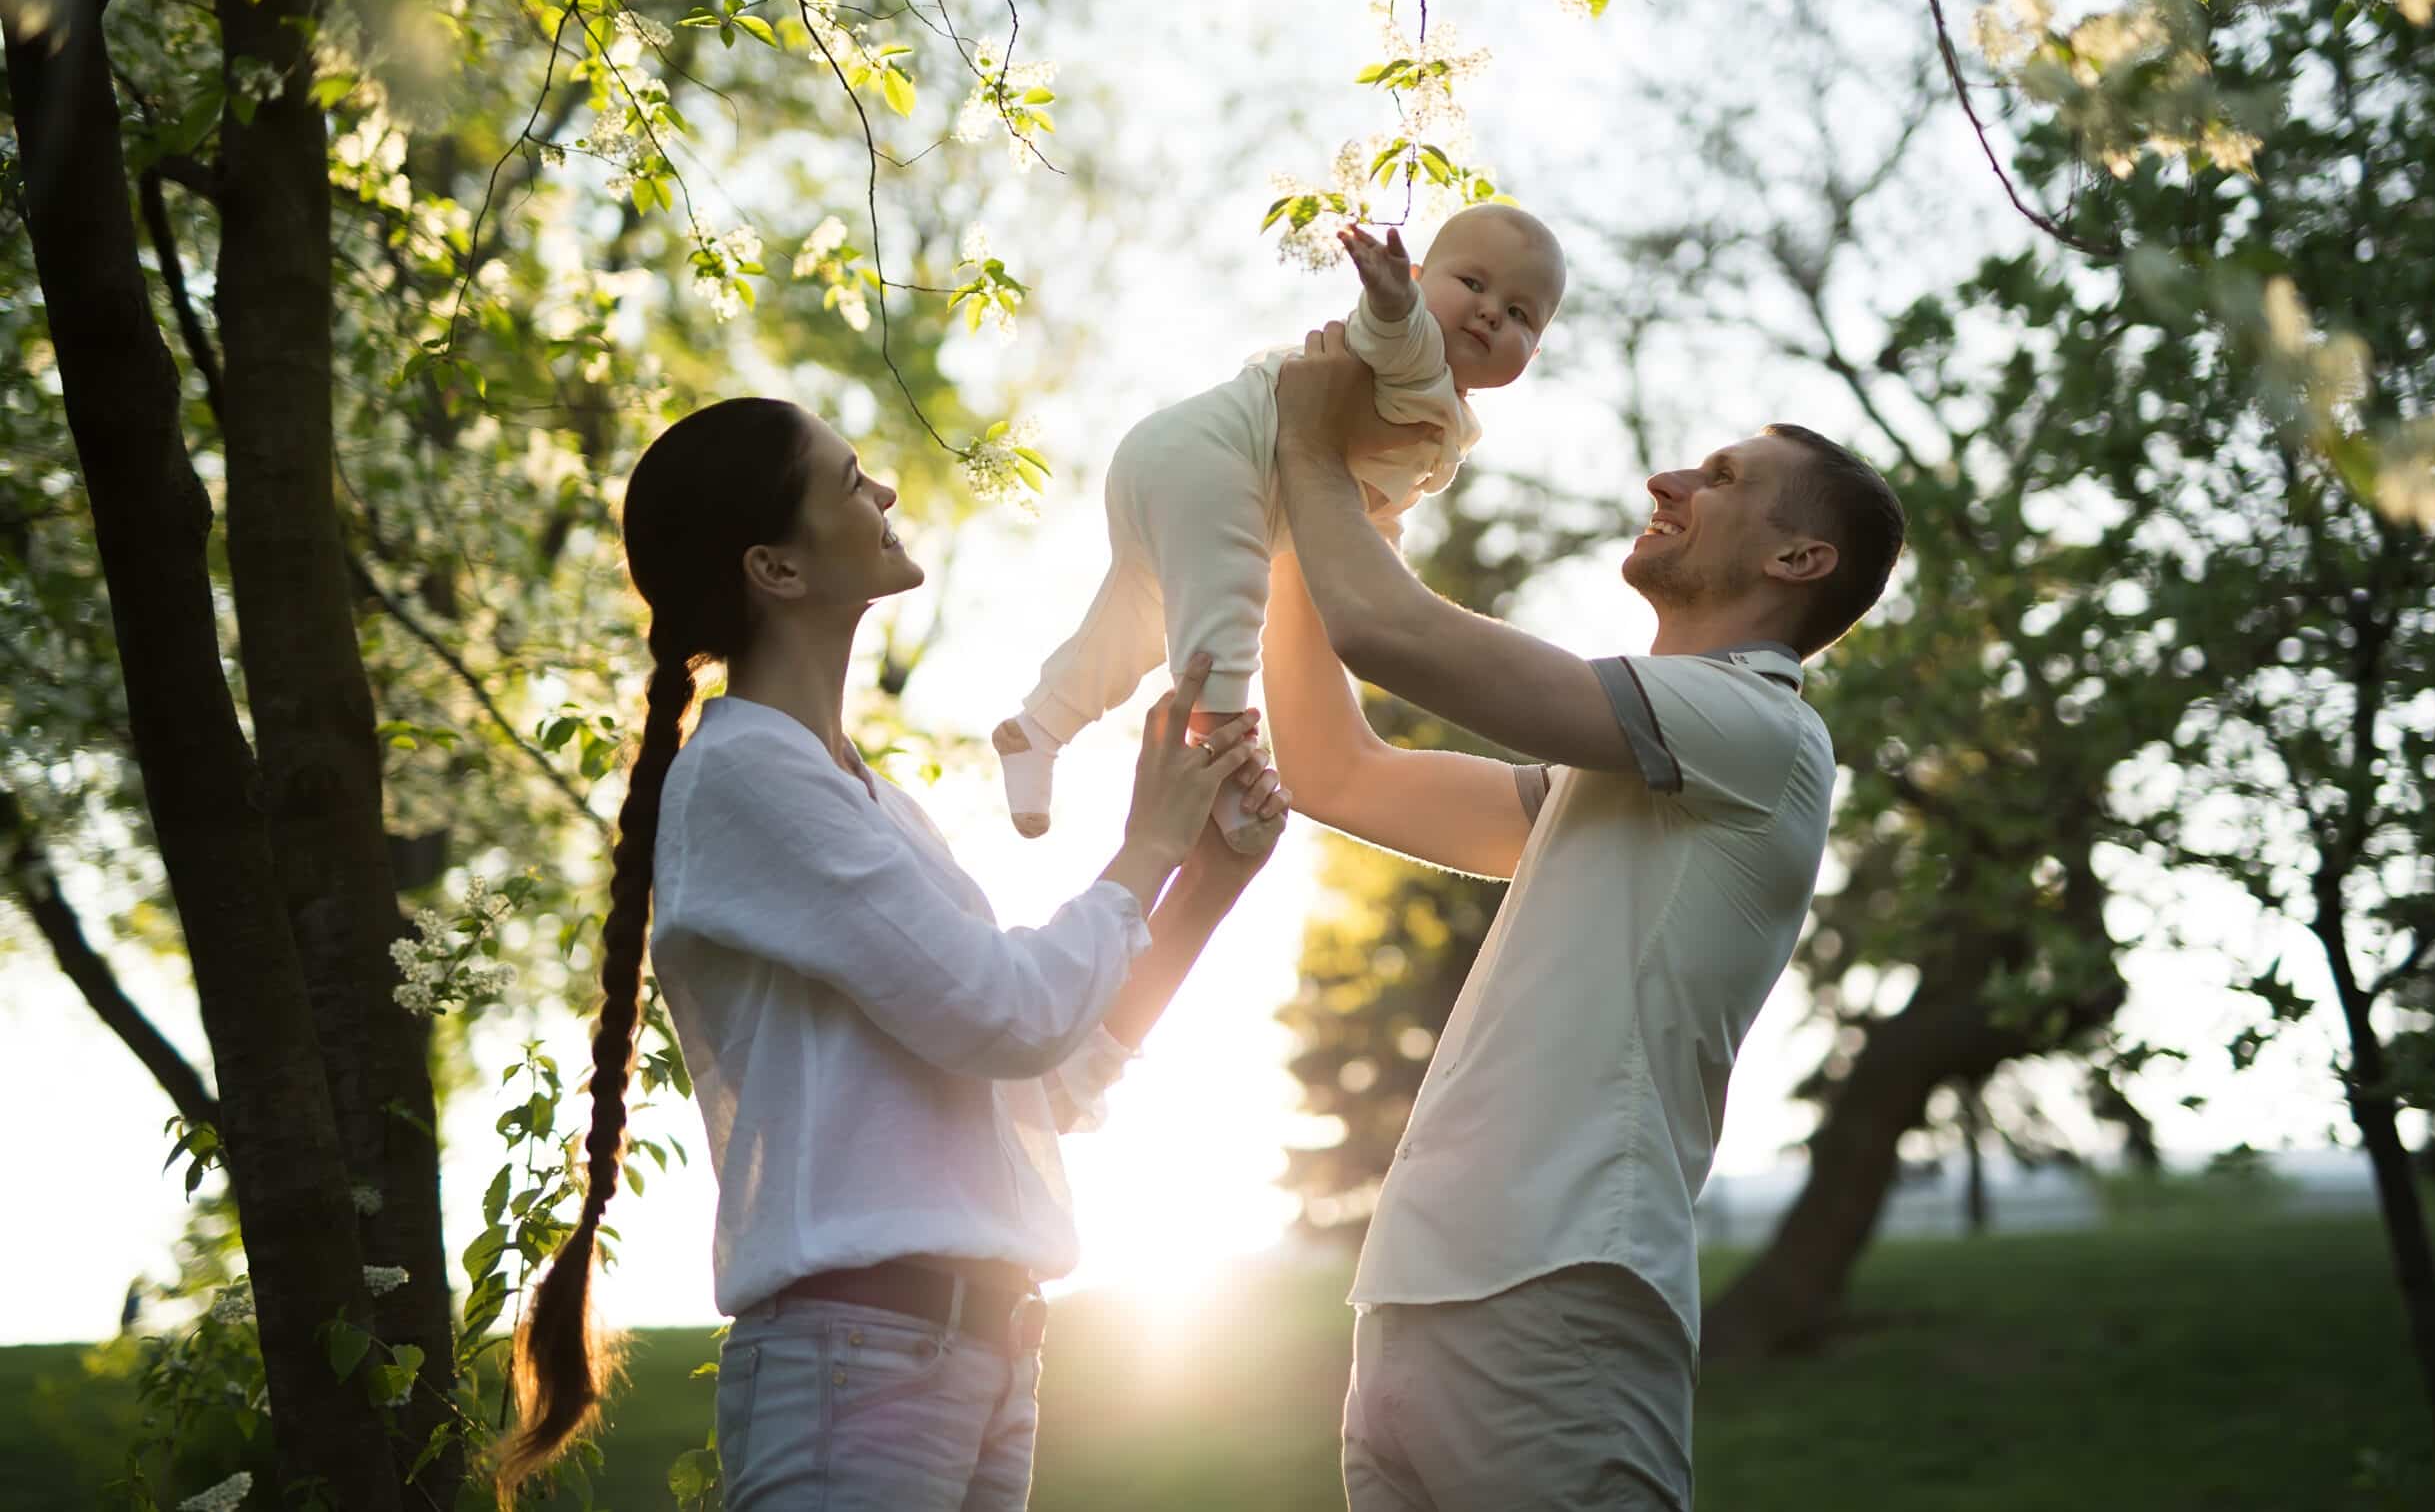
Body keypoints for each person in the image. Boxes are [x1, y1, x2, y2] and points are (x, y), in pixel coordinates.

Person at [491, 396, 1290, 1511]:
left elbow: (1038, 1077)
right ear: (775, 568)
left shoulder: (859, 797)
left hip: (981, 1356)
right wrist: (1147, 844)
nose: (885, 494)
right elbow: (1003, 1012)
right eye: (849, 478)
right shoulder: (743, 782)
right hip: (856, 1363)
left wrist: (1207, 880)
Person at [1263, 324, 1907, 1511]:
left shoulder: (1761, 733)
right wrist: (1315, 514)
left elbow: (1390, 634)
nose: (1667, 482)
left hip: (1560, 1293)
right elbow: (1332, 774)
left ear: (1801, 558)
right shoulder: (1602, 782)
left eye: (1720, 479)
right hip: (1411, 1307)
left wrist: (1309, 450)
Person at [993, 205, 1568, 847]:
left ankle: (1039, 727)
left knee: (1140, 624)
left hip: (1173, 466)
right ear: (1421, 275)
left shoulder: (1447, 418)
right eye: (1473, 283)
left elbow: (1367, 528)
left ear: (1535, 350)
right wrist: (1392, 297)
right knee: (1227, 614)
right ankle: (1223, 761)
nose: (1491, 311)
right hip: (1215, 461)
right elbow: (1393, 335)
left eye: (1519, 313)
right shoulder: (1418, 356)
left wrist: (1385, 588)